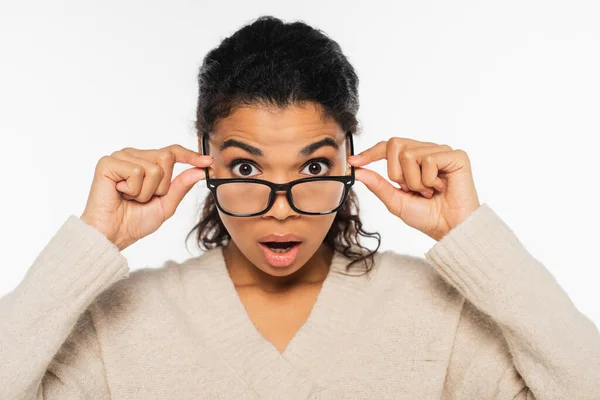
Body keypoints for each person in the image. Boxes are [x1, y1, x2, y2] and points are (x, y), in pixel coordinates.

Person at [1, 15, 599, 400]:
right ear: (204, 158)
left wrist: (472, 236)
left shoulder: (436, 315)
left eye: (313, 169)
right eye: (246, 169)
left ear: (350, 159)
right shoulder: (120, 325)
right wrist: (91, 243)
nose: (280, 210)